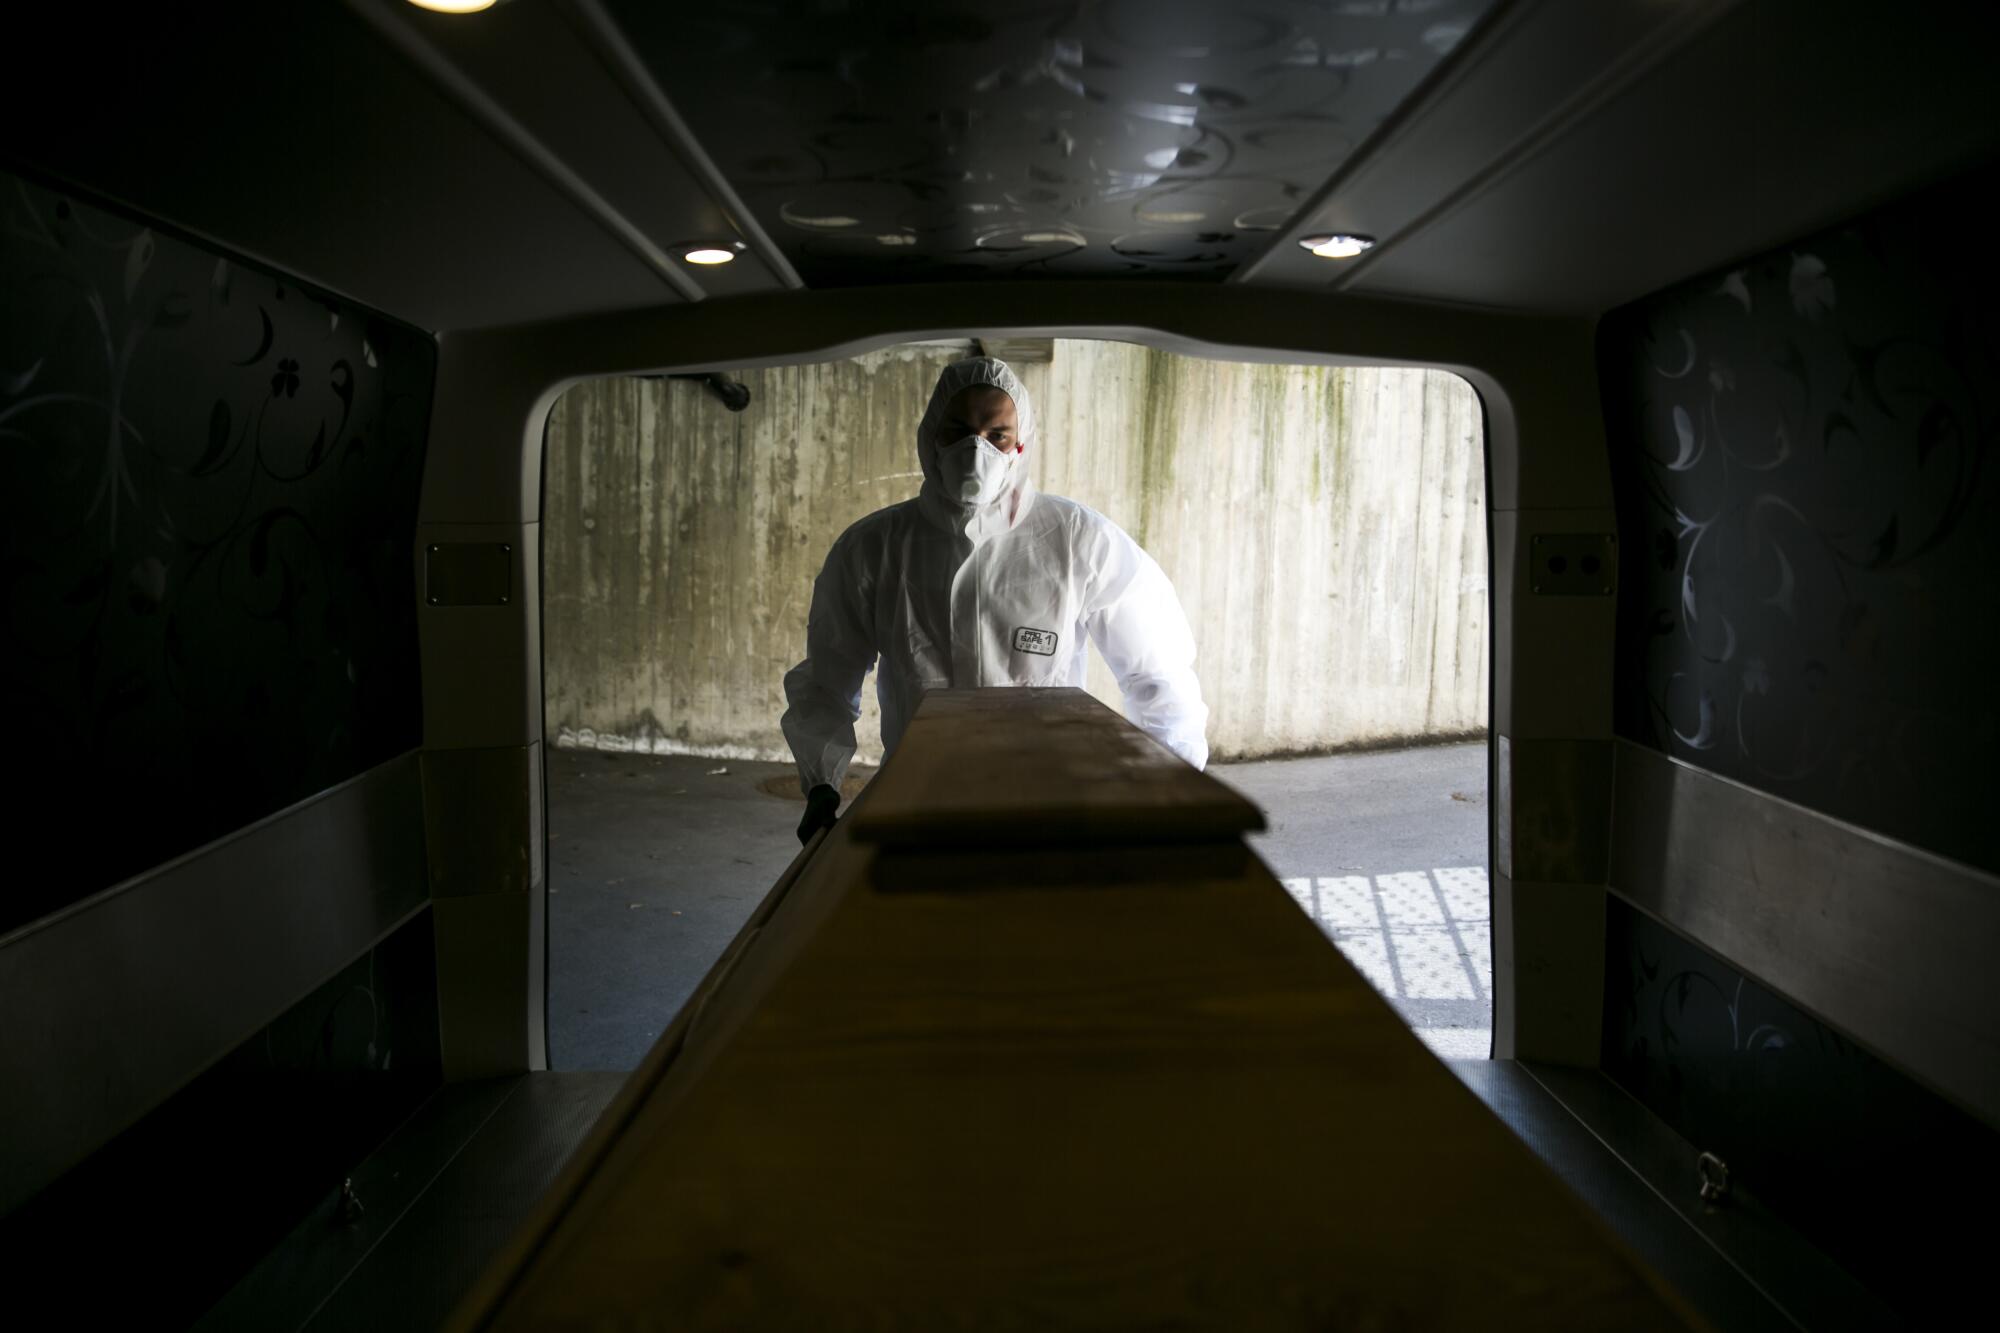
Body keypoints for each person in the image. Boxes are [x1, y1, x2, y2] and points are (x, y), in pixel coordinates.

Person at [781, 356, 1208, 843]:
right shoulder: (873, 549)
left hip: (1046, 810)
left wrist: (1171, 786)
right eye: (958, 430)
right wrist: (821, 781)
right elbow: (827, 680)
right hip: (917, 808)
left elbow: (1157, 673)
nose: (975, 448)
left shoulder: (1077, 540)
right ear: (931, 437)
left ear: (1019, 444)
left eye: (996, 434)